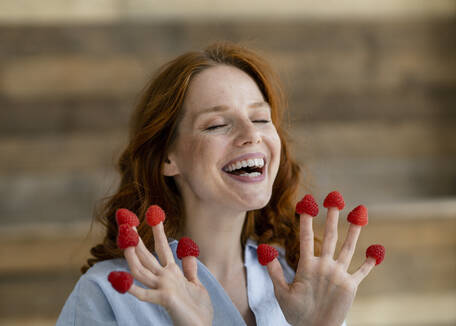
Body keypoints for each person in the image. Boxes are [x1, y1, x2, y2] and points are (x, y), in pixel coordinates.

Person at [56, 41, 380, 326]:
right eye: (217, 125)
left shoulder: (304, 279)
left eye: (260, 119)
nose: (252, 134)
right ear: (168, 158)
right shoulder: (109, 293)